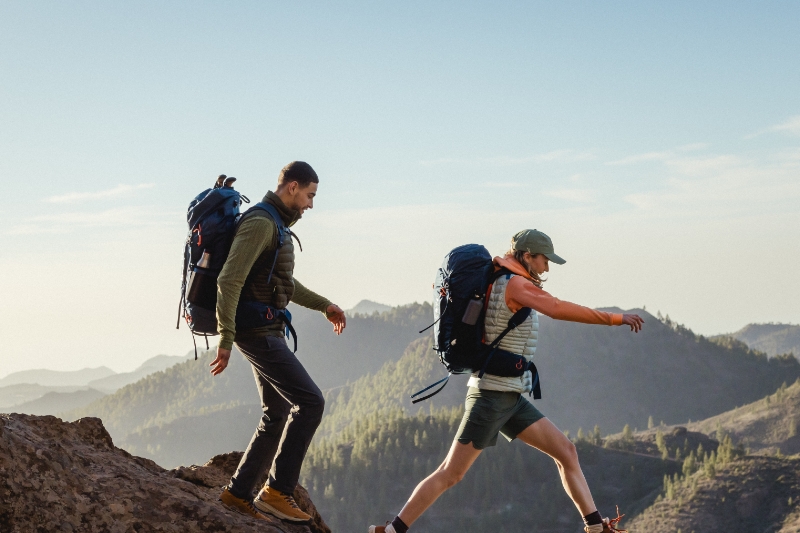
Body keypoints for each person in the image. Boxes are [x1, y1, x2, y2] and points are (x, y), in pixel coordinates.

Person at [369, 229, 643, 533]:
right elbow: (556, 308)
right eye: (544, 260)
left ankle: (595, 527)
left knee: (566, 452)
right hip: (491, 398)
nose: (547, 268)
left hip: (509, 396)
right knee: (450, 473)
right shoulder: (514, 284)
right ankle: (392, 531)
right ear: (526, 256)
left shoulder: (502, 278)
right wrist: (615, 319)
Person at [211, 161, 347, 523]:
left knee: (277, 411)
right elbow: (229, 280)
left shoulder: (276, 225)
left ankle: (237, 494)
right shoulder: (261, 223)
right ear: (292, 187)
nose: (311, 204)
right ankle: (276, 491)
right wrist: (226, 336)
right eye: (310, 195)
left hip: (266, 329)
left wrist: (324, 305)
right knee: (311, 402)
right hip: (256, 331)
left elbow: (283, 282)